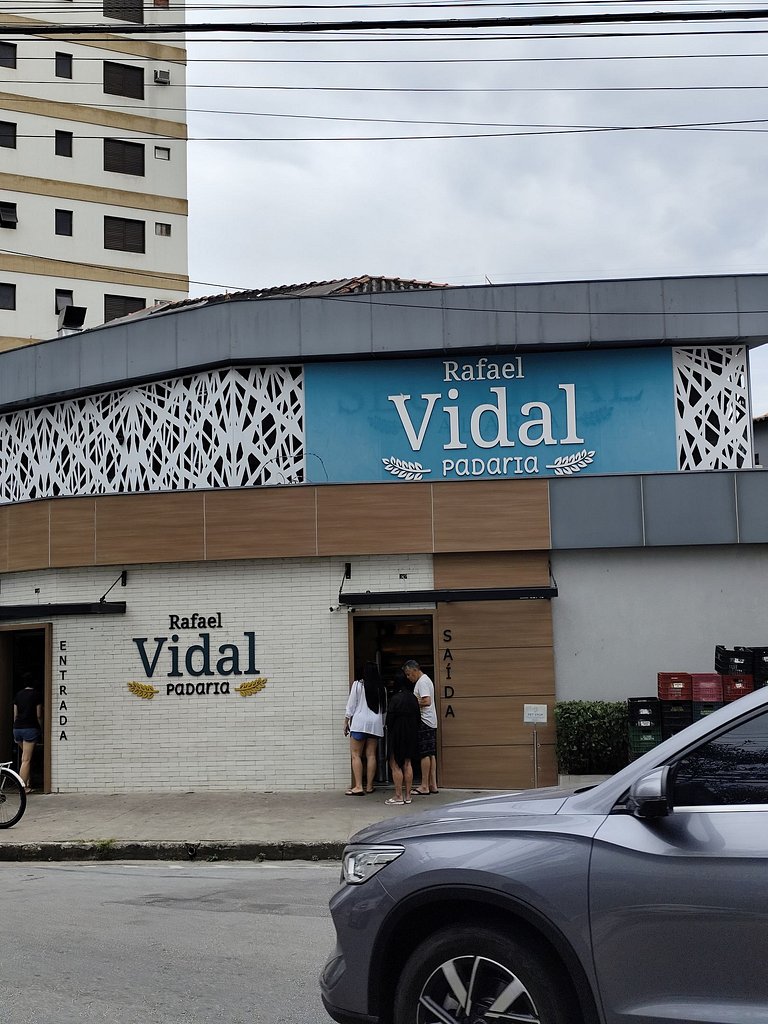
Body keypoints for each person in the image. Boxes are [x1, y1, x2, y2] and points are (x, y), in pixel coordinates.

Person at [343, 661, 385, 795]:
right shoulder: (381, 688)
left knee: (356, 755)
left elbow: (351, 705)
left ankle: (359, 786)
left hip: (359, 723)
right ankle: (370, 786)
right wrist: (382, 724)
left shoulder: (357, 685)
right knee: (371, 755)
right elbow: (384, 710)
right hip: (375, 724)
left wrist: (346, 721)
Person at [384, 670, 421, 805]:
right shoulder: (413, 698)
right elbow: (418, 718)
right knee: (407, 763)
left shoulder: (395, 699)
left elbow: (389, 720)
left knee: (395, 764)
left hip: (397, 734)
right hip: (410, 733)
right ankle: (408, 795)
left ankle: (398, 796)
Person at [403, 659, 438, 795]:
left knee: (424, 754)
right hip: (431, 721)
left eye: (408, 674)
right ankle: (432, 784)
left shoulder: (422, 682)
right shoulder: (426, 680)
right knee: (430, 754)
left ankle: (424, 786)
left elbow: (426, 701)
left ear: (415, 670)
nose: (408, 677)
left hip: (424, 720)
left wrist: (412, 702)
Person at [13, 675, 43, 794]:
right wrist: (41, 729)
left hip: (17, 729)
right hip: (30, 728)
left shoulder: (18, 695)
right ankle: (23, 787)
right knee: (26, 760)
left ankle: (28, 782)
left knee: (25, 758)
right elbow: (39, 715)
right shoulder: (37, 695)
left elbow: (15, 714)